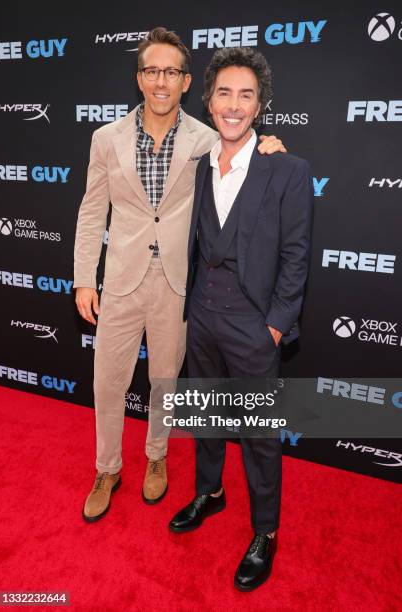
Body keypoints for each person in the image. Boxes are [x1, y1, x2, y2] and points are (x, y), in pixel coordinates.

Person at [73, 27, 286, 521]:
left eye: (171, 71)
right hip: (121, 281)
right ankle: (107, 467)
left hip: (178, 283)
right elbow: (90, 213)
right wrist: (85, 276)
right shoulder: (105, 139)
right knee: (107, 382)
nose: (161, 81)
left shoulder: (210, 138)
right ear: (140, 78)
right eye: (152, 70)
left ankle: (156, 457)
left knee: (165, 382)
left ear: (187, 82)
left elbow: (247, 153)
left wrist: (271, 146)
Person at [169, 47, 313, 591]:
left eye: (245, 95)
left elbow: (297, 255)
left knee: (259, 434)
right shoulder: (200, 163)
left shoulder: (288, 170)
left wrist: (275, 324)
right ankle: (210, 491)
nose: (233, 105)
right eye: (223, 93)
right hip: (201, 314)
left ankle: (265, 531)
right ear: (207, 101)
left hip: (255, 325)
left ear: (260, 105)